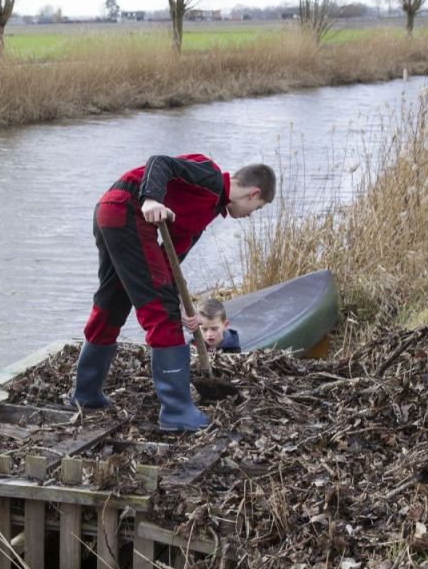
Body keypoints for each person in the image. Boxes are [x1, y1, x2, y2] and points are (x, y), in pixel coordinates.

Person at [68, 155, 275, 430]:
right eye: (257, 209)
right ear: (253, 193)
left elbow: (168, 265)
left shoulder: (205, 213)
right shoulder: (210, 175)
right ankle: (176, 412)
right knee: (159, 313)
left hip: (112, 213)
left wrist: (178, 306)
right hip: (126, 207)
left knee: (113, 301)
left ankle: (86, 394)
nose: (250, 216)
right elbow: (160, 163)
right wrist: (151, 198)